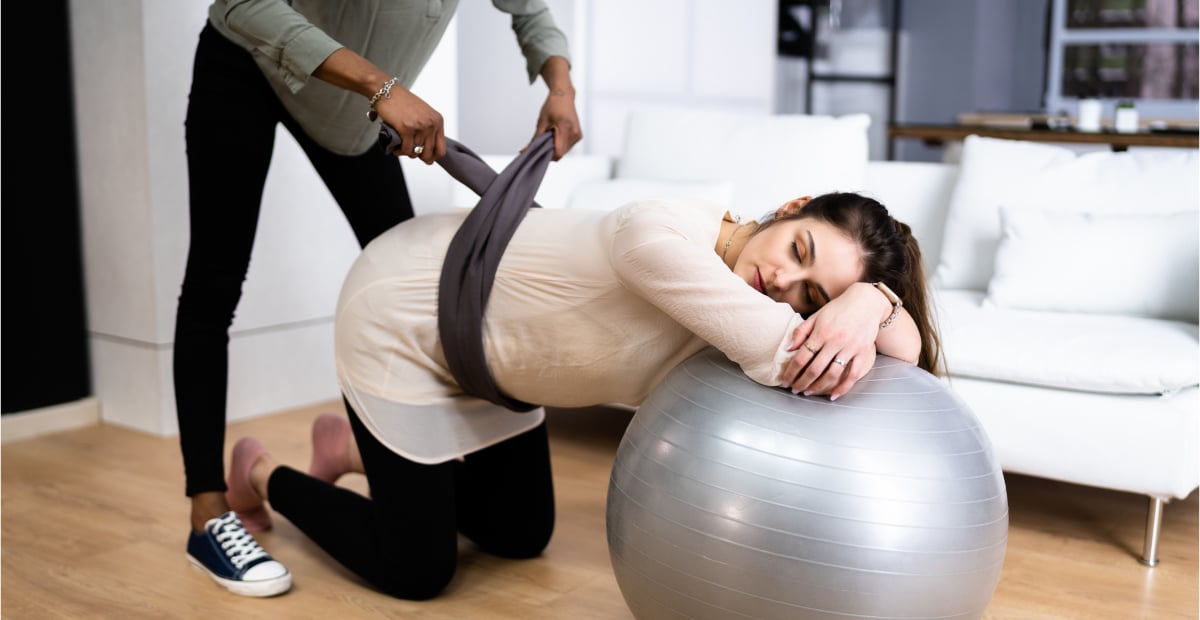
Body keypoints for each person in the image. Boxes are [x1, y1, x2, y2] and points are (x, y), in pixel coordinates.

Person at [218, 190, 943, 600]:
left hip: (497, 367)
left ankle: (357, 449)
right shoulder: (655, 236)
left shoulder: (755, 294)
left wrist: (873, 300)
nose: (785, 284)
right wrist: (853, 306)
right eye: (800, 250)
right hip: (407, 315)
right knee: (420, 571)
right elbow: (790, 358)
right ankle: (260, 474)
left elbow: (902, 359)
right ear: (793, 206)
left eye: (811, 295)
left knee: (519, 535)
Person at [176, 0, 583, 598]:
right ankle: (210, 510)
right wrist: (382, 85)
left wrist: (561, 85)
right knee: (215, 283)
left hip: (352, 113)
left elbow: (529, 10)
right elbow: (240, 4)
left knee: (416, 292)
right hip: (250, 68)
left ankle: (354, 452)